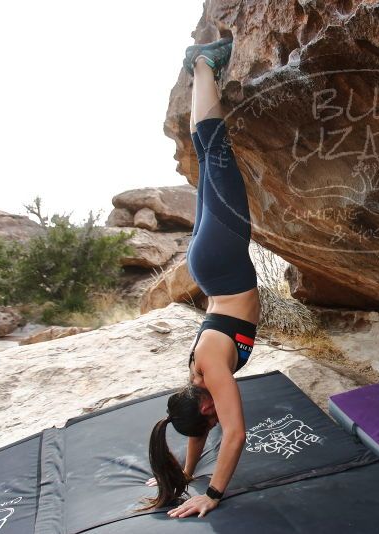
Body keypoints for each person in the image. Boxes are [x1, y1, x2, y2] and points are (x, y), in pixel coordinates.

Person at [138, 36, 262, 519]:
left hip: (222, 259)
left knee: (215, 147)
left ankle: (204, 63)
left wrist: (210, 497)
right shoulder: (198, 386)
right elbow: (204, 431)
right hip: (212, 265)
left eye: (206, 417)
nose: (213, 417)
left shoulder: (211, 368)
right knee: (207, 151)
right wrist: (186, 475)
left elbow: (235, 433)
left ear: (203, 403)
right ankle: (200, 71)